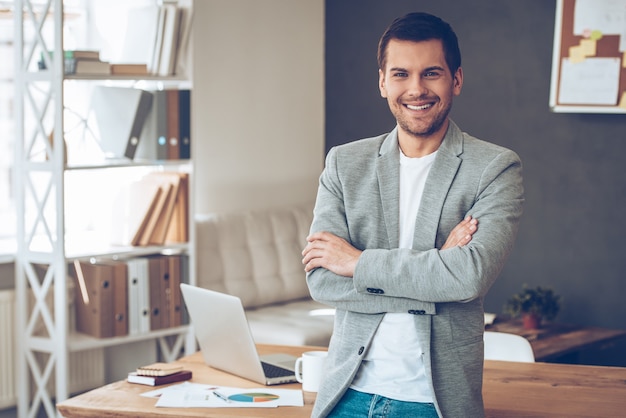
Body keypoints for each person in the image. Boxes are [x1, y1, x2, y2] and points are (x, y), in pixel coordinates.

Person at [301, 11, 524, 418]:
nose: (416, 89)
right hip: (345, 394)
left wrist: (357, 263)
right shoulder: (344, 164)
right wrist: (437, 267)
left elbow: (468, 276)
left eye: (431, 73)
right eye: (401, 74)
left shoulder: (494, 168)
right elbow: (322, 282)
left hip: (433, 401)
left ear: (456, 79)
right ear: (383, 81)